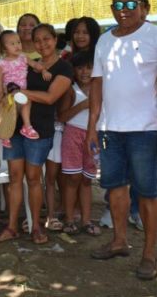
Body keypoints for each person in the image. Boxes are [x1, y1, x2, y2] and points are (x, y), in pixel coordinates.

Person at [86, 0, 157, 280]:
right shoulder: (105, 41)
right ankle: (119, 241)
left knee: (147, 192)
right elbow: (96, 84)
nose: (124, 10)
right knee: (115, 188)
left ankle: (149, 254)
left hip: (145, 129)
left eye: (131, 4)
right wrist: (93, 126)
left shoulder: (156, 36)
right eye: (118, 4)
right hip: (110, 129)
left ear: (144, 6)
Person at [0, 23, 72, 245]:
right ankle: (12, 226)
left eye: (47, 38)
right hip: (13, 128)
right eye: (37, 40)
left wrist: (18, 92)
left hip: (39, 131)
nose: (42, 43)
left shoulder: (63, 68)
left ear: (55, 39)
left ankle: (37, 226)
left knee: (34, 179)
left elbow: (49, 98)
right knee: (15, 178)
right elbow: (6, 77)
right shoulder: (26, 62)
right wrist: (4, 93)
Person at [57, 51, 100, 236]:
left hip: (94, 136)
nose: (85, 72)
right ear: (74, 70)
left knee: (86, 179)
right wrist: (83, 105)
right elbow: (62, 116)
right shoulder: (71, 89)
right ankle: (69, 218)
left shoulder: (100, 88)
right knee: (73, 178)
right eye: (80, 68)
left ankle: (86, 220)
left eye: (89, 67)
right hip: (72, 134)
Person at [0, 30, 51, 145]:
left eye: (18, 42)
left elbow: (35, 65)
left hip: (22, 90)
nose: (17, 45)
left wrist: (44, 70)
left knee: (23, 104)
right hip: (10, 89)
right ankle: (9, 133)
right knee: (9, 111)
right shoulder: (2, 63)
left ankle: (24, 127)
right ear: (4, 48)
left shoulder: (23, 57)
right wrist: (1, 93)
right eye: (12, 44)